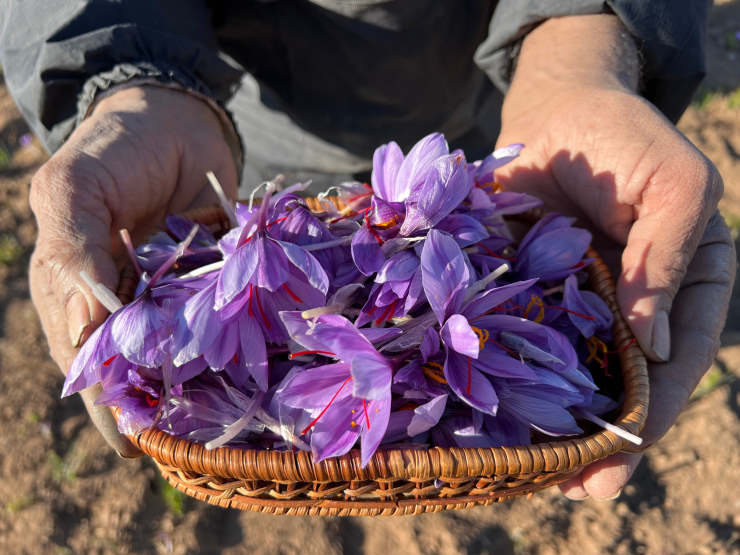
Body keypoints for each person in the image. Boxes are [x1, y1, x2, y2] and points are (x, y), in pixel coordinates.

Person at [0, 1, 734, 501]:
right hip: (233, 116)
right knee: (265, 251)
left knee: (548, 263)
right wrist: (128, 77)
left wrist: (577, 49)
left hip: (500, 96)